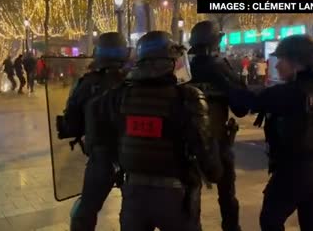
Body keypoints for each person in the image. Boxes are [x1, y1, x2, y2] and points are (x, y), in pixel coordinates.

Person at [87, 31, 223, 231]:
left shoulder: (119, 95)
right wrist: (216, 172)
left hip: (133, 194)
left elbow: (98, 128)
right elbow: (205, 150)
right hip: (175, 197)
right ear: (170, 61)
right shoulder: (188, 97)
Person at [231, 35, 313, 231]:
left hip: (294, 172)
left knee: (270, 220)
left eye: (282, 60)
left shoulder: (290, 93)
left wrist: (227, 83)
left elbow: (249, 100)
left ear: (297, 63)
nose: (277, 66)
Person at [57, 32, 129, 231]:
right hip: (132, 155)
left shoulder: (88, 83)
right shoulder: (134, 80)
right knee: (134, 212)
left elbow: (72, 122)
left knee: (85, 212)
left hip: (101, 157)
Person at [187, 20, 248, 231]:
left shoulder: (185, 71)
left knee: (191, 198)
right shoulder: (221, 69)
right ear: (214, 43)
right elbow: (241, 107)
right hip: (219, 143)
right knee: (227, 197)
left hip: (189, 145)